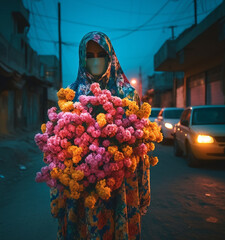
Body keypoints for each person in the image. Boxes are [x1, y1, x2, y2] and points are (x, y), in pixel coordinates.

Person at [50, 31, 150, 240]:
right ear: (82, 58)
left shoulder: (127, 95)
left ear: (110, 56)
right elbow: (56, 154)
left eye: (100, 54)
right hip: (81, 191)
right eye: (90, 55)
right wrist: (56, 197)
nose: (95, 60)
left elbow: (142, 151)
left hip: (120, 184)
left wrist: (143, 190)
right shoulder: (70, 95)